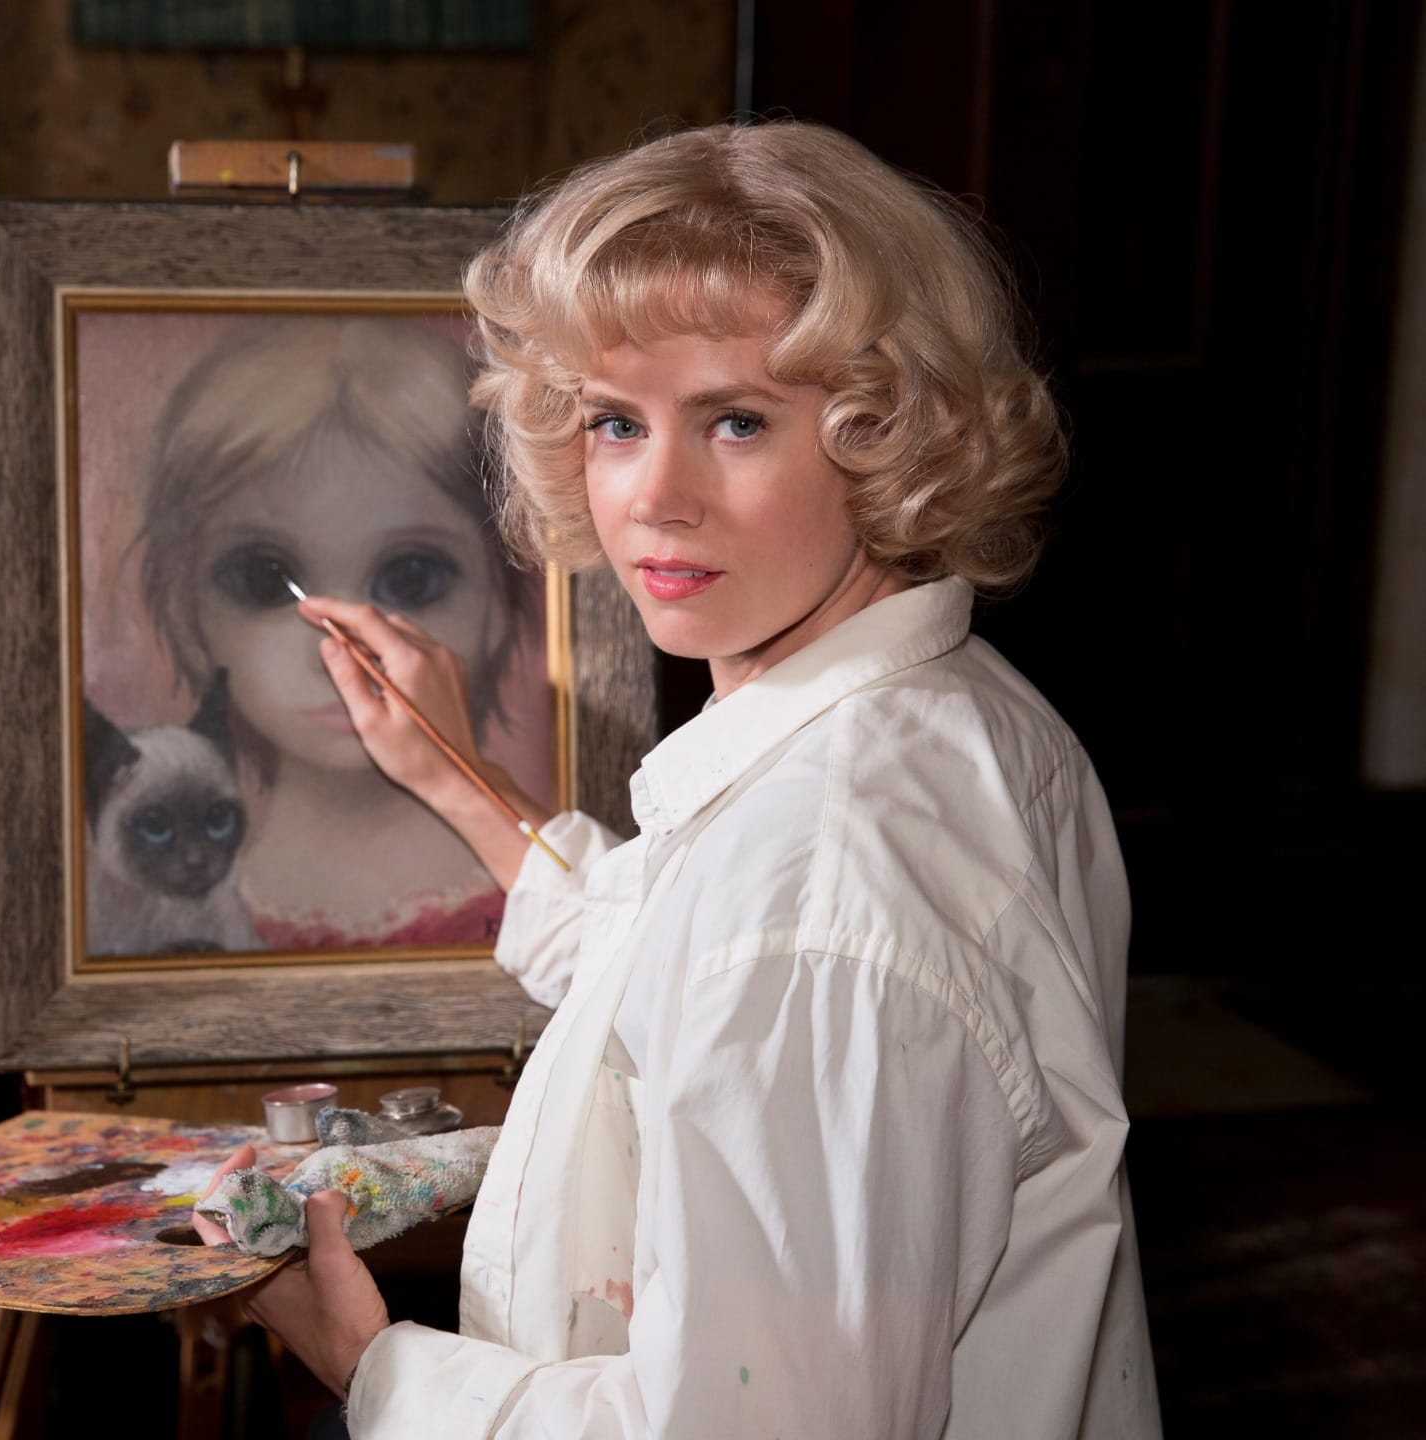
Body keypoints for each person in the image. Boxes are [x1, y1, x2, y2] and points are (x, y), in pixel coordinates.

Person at [198, 120, 1162, 1437]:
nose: (655, 495)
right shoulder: (959, 718)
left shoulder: (819, 896)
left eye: (738, 421)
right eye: (613, 421)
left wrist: (377, 1366)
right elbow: (671, 956)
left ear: (891, 434)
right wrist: (460, 778)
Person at [129, 317, 549, 951]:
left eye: (411, 578)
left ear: (500, 599)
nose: (343, 652)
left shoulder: (564, 901)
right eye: (265, 581)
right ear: (190, 614)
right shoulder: (171, 908)